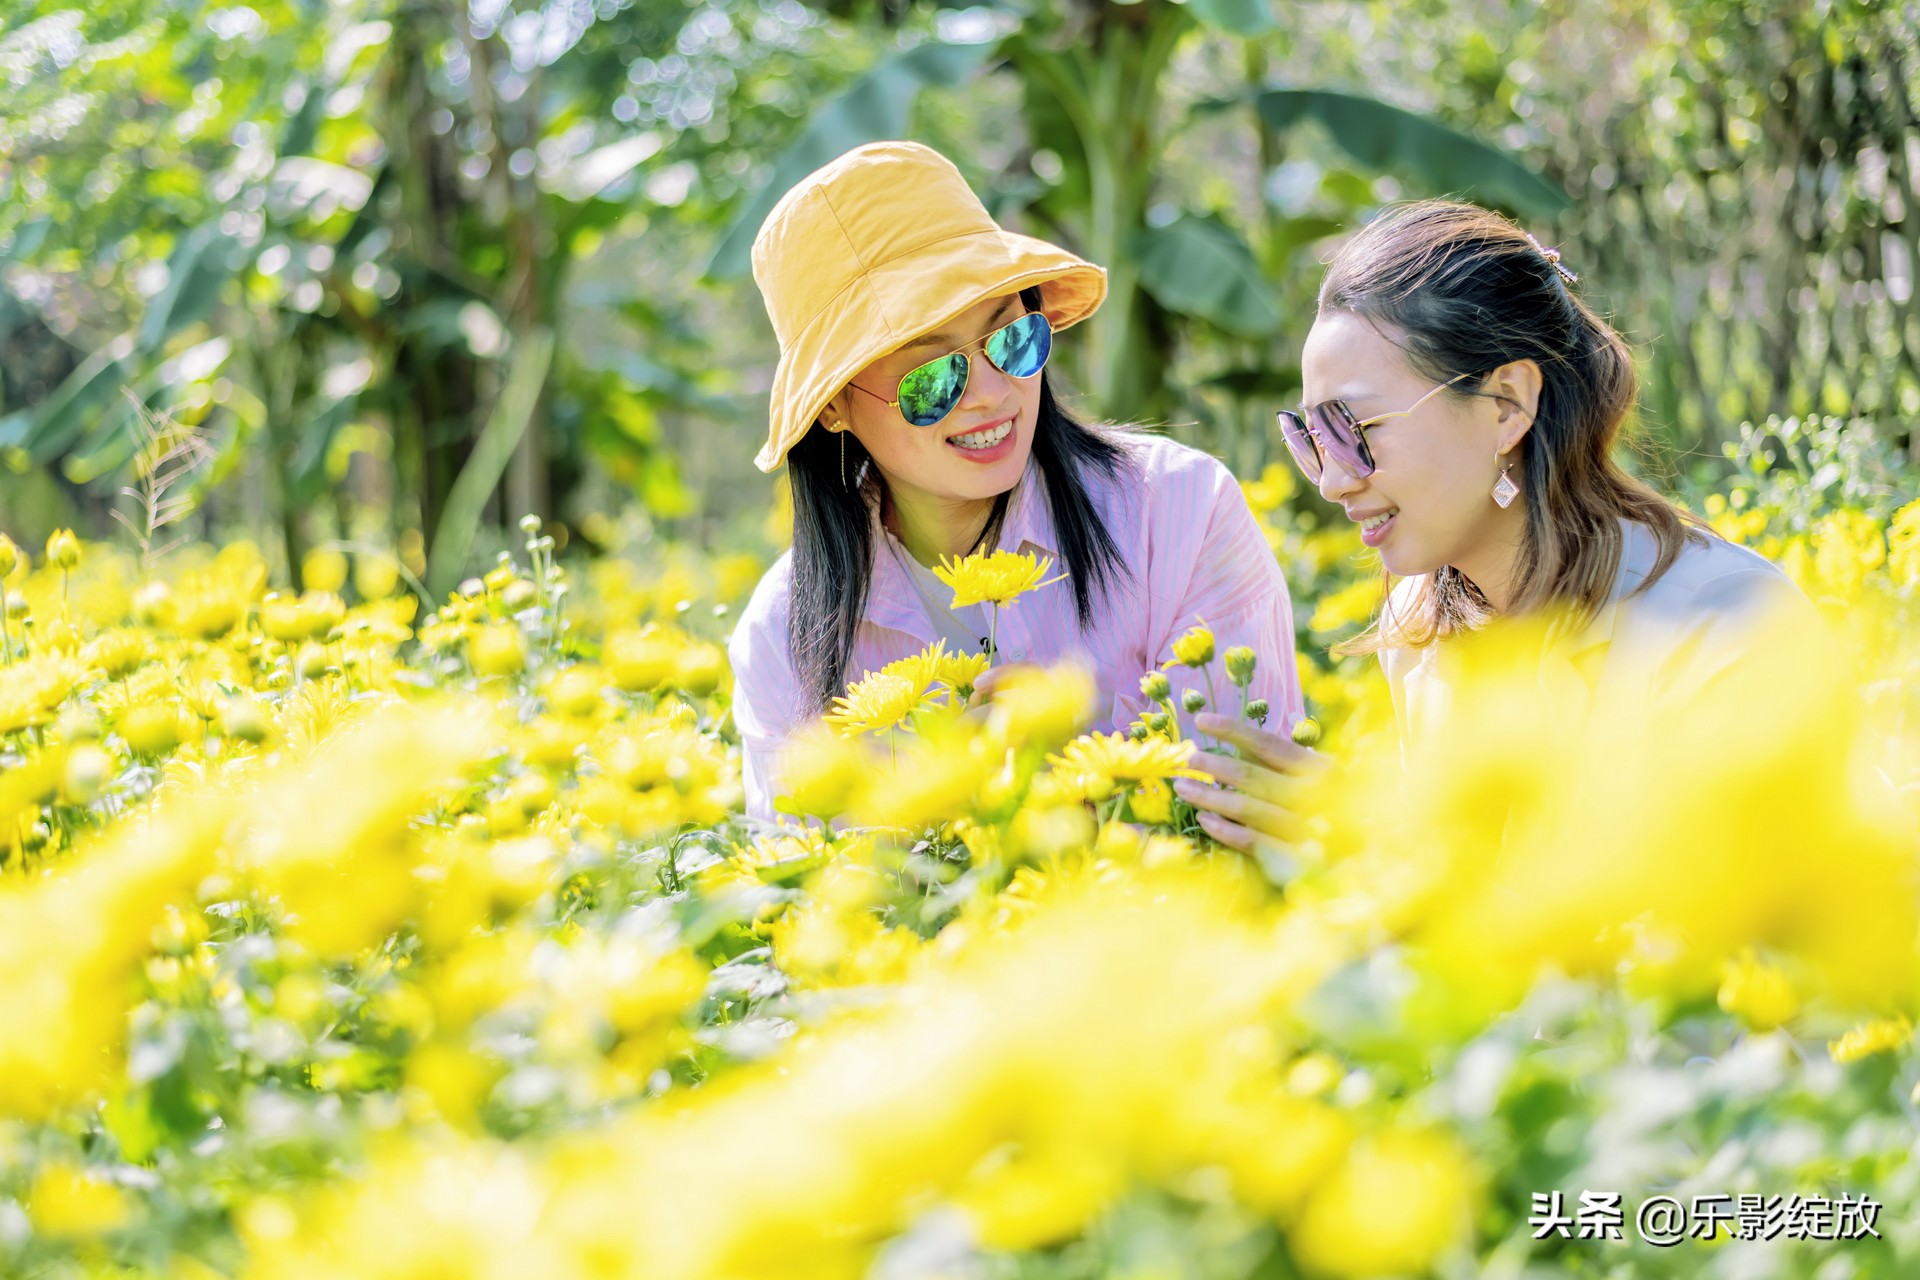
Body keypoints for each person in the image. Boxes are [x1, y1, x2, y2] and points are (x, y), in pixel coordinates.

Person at [1175, 199, 1812, 854]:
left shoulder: (1725, 623)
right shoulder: (1418, 633)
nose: (1333, 481)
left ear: (1506, 405)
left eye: (1355, 431)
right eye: (1313, 437)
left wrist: (1378, 849)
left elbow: (1736, 930)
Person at [727, 140, 1306, 823]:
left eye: (1012, 340)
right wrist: (929, 824)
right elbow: (801, 890)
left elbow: (1256, 811)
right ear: (832, 406)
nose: (991, 394)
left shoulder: (1179, 511)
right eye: (933, 378)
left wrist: (1075, 779)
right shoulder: (781, 634)